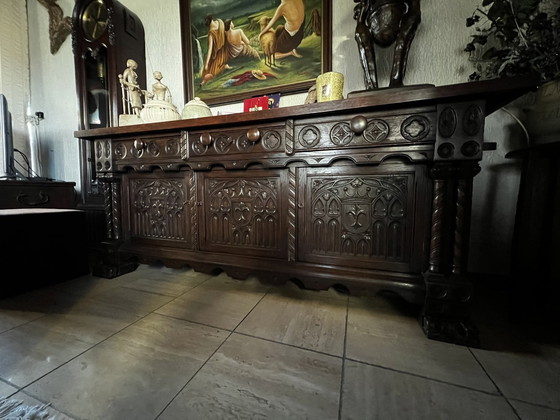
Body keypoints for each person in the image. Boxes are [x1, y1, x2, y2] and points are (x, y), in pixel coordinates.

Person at [201, 15, 230, 85]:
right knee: (208, 72)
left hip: (217, 56)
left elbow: (210, 50)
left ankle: (224, 67)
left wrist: (207, 63)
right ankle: (204, 81)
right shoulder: (220, 22)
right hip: (224, 53)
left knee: (210, 72)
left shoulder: (211, 33)